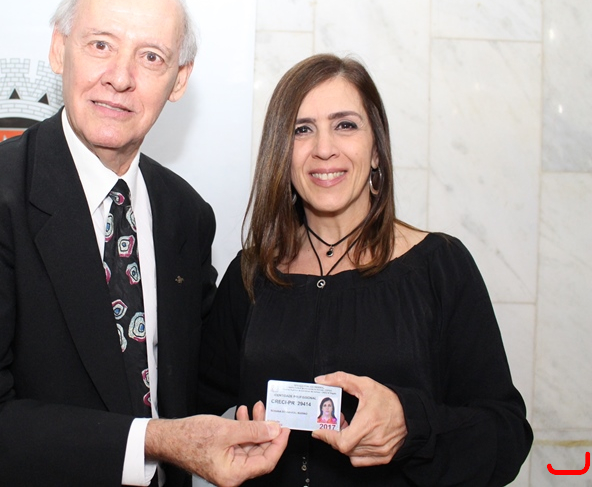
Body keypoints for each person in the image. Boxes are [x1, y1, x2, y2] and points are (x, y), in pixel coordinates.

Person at [0, 0, 288, 487]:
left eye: (150, 57)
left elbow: (208, 374)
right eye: (101, 45)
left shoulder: (186, 214)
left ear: (179, 79)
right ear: (59, 49)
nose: (121, 77)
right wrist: (155, 441)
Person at [198, 54, 533, 486]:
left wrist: (411, 425)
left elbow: (506, 435)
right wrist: (233, 435)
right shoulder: (249, 274)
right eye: (302, 129)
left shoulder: (439, 267)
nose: (324, 148)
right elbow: (199, 413)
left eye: (345, 125)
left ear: (376, 150)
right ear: (282, 154)